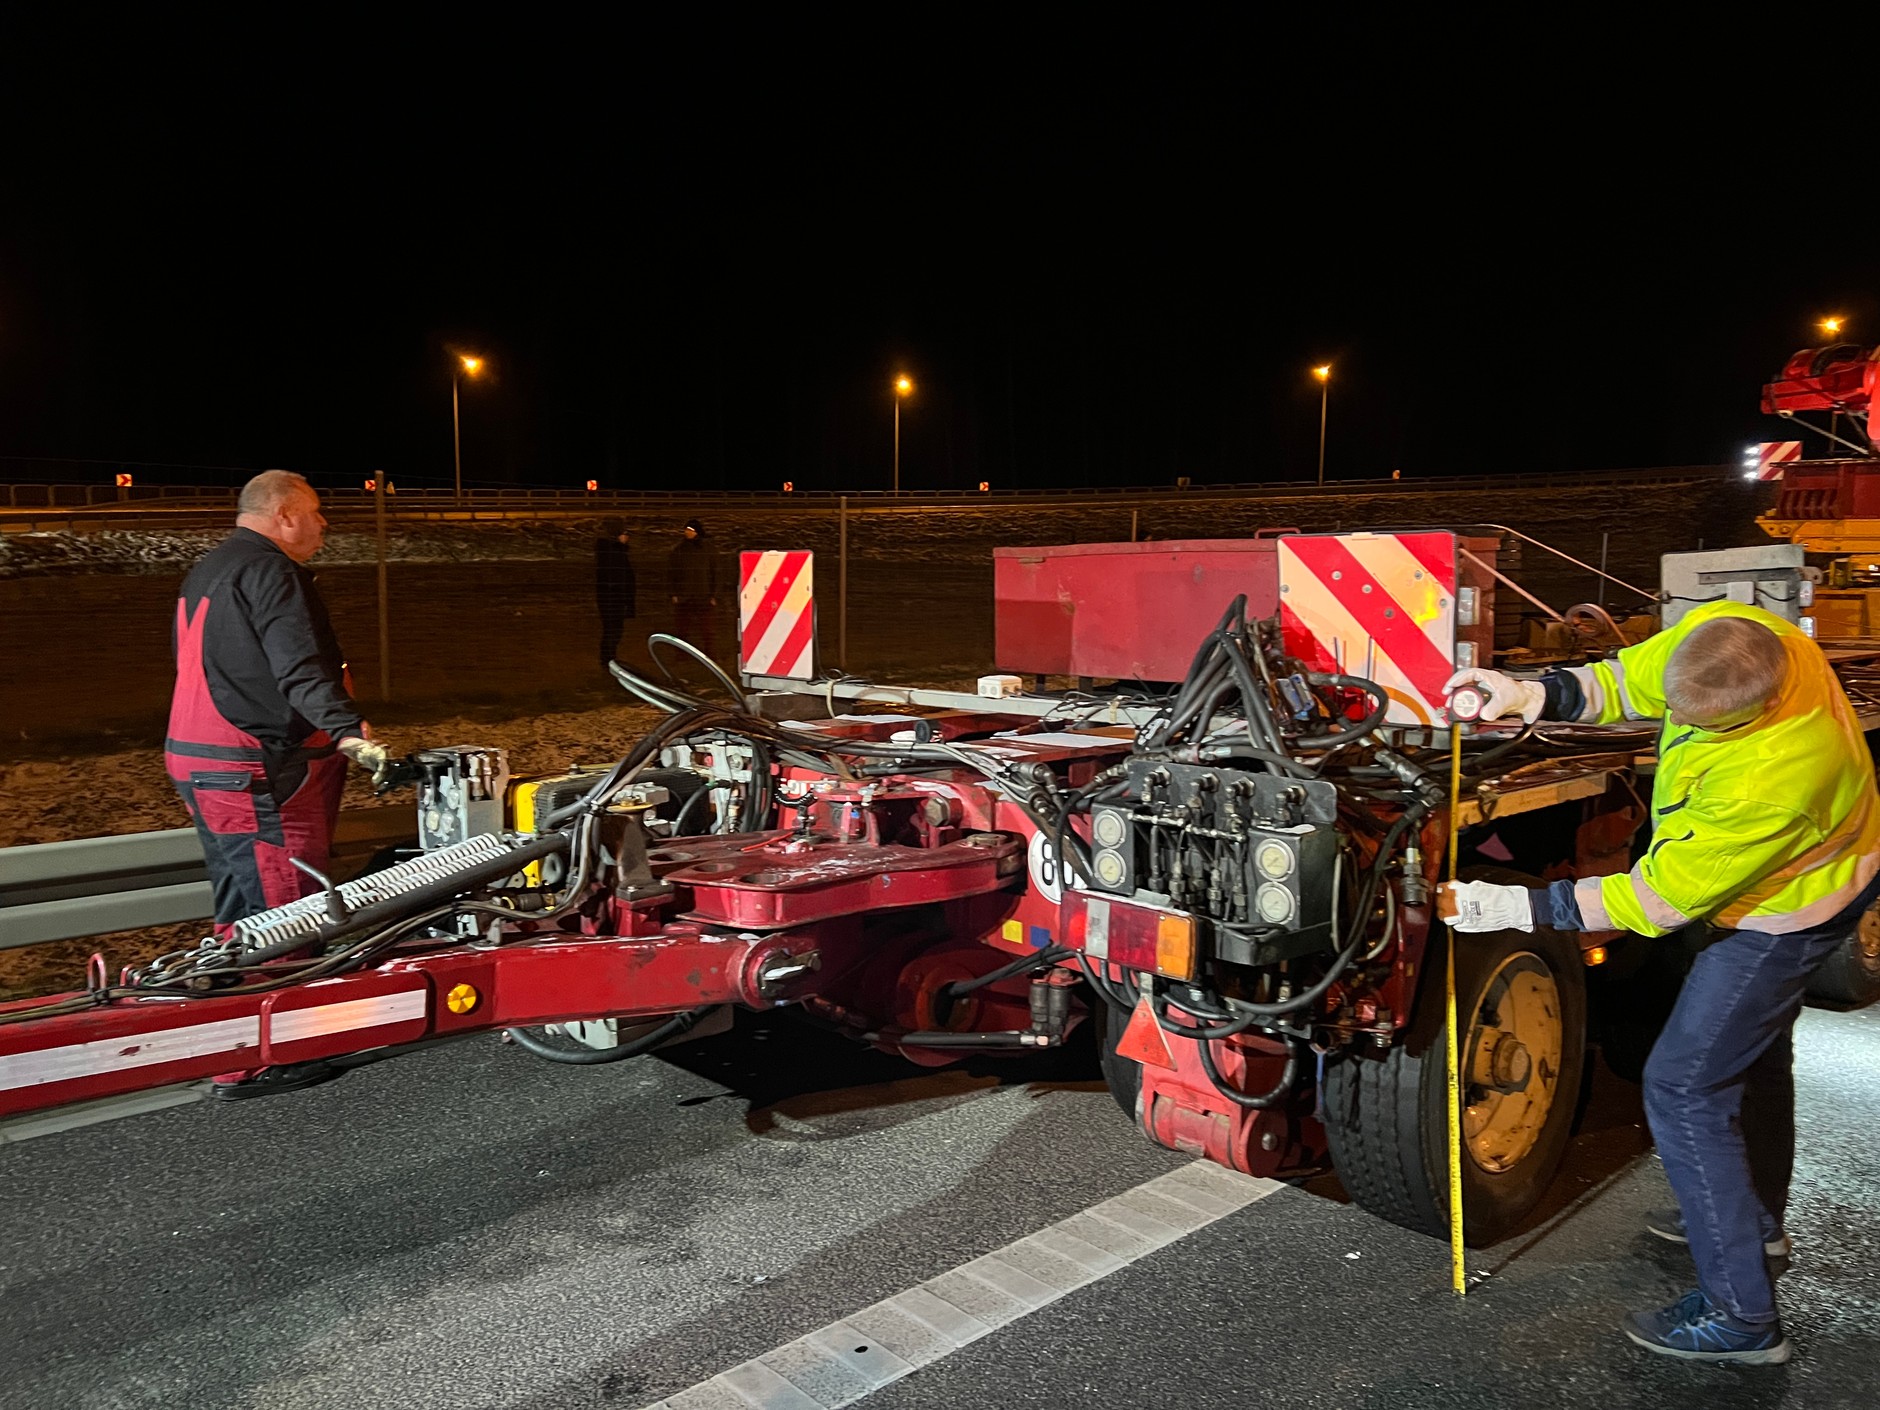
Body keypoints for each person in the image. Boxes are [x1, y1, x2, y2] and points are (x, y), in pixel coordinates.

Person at [1444, 601, 1880, 1365]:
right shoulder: (1738, 633)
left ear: (1751, 714)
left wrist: (1518, 905)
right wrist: (1527, 692)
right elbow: (1626, 679)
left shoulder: (1777, 776)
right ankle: (1751, 1220)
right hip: (1804, 879)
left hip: (1788, 914)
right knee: (1754, 1055)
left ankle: (1743, 1319)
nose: (1673, 720)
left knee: (1684, 1087)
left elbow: (1655, 902)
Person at [166, 470, 391, 933]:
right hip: (251, 768)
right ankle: (277, 994)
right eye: (314, 512)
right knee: (289, 916)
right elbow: (298, 664)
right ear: (285, 515)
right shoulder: (273, 571)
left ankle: (233, 985)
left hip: (198, 758)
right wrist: (346, 728)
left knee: (241, 908)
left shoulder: (211, 567)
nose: (323, 523)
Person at [667, 517, 720, 659]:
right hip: (684, 596)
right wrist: (673, 593)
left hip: (703, 596)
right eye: (686, 530)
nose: (687, 533)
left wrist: (714, 594)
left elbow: (715, 572)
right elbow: (672, 573)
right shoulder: (679, 550)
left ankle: (710, 653)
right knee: (682, 629)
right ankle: (681, 654)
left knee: (707, 629)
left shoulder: (708, 550)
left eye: (690, 530)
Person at [594, 517, 637, 668]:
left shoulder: (609, 549)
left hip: (613, 597)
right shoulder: (610, 550)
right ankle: (608, 660)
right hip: (613, 597)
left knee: (614, 630)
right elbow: (616, 572)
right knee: (612, 630)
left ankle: (609, 659)